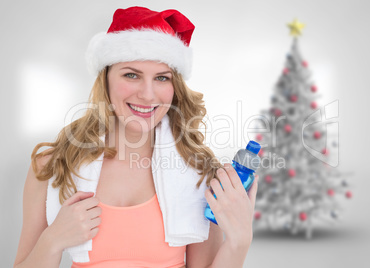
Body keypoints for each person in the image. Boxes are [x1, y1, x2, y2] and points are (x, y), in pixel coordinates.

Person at [14, 6, 259, 268]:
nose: (148, 94)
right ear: (105, 79)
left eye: (162, 78)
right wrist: (52, 240)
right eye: (131, 75)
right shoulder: (52, 166)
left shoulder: (195, 172)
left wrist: (239, 240)